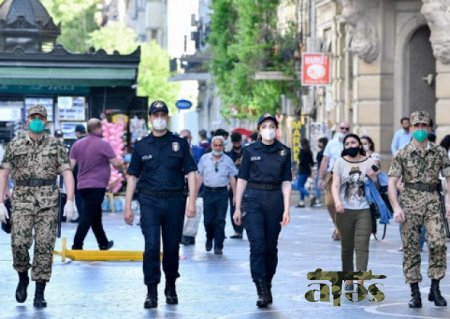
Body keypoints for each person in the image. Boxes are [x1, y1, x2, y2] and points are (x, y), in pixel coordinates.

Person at [0, 104, 77, 308]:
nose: (36, 120)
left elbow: (67, 172)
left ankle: (39, 292)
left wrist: (70, 199)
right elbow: (4, 173)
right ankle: (23, 276)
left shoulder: (56, 146)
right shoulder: (15, 145)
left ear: (46, 121)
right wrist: (0, 202)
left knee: (44, 245)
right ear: (27, 120)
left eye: (40, 117)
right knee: (19, 243)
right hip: (22, 199)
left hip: (48, 201)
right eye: (33, 116)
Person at [124, 100, 197, 309]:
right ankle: (151, 290)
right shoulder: (141, 145)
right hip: (149, 201)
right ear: (150, 118)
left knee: (172, 246)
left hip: (175, 200)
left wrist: (192, 200)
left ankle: (171, 286)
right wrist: (128, 206)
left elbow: (191, 172)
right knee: (152, 245)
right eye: (155, 115)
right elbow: (132, 177)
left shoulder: (179, 143)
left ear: (167, 117)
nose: (159, 118)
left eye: (163, 114)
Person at [388, 111, 450, 308]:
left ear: (429, 128)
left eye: (424, 126)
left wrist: (449, 203)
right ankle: (414, 292)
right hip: (409, 203)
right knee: (411, 248)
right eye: (417, 126)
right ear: (411, 128)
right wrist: (396, 207)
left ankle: (435, 287)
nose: (421, 130)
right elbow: (392, 183)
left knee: (438, 243)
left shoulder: (439, 152)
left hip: (433, 201)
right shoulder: (402, 154)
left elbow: (448, 178)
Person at [233, 113, 291, 308]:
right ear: (259, 130)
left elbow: (286, 182)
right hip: (254, 199)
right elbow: (242, 179)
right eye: (264, 126)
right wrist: (237, 207)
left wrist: (287, 209)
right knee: (257, 246)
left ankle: (268, 282)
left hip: (274, 200)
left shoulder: (284, 151)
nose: (268, 129)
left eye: (271, 125)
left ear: (276, 129)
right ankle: (260, 288)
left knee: (270, 247)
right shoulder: (250, 151)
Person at [331, 133, 378, 291]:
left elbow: (377, 185)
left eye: (353, 142)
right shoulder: (339, 162)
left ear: (359, 145)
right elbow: (335, 185)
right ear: (344, 147)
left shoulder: (369, 162)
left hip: (364, 210)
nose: (350, 146)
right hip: (344, 210)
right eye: (347, 144)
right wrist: (337, 202)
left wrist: (374, 177)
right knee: (347, 246)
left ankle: (360, 280)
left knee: (362, 245)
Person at [69, 118, 122, 250]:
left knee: (95, 215)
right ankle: (77, 244)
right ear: (97, 129)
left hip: (81, 186)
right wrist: (125, 170)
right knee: (87, 215)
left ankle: (103, 243)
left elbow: (70, 166)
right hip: (97, 185)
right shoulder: (103, 144)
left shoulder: (77, 145)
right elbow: (116, 163)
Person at [197, 135, 237, 255]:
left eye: (220, 145)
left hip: (222, 193)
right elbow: (200, 177)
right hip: (208, 193)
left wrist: (235, 195)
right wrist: (194, 194)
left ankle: (218, 245)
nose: (218, 147)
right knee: (208, 221)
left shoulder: (228, 160)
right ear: (212, 146)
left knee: (220, 220)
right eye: (216, 145)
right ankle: (209, 238)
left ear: (223, 146)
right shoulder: (204, 159)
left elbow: (232, 178)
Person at [318, 122, 351, 240]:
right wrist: (321, 178)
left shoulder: (353, 144)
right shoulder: (331, 143)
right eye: (342, 128)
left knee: (344, 205)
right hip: (332, 176)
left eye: (347, 128)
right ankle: (338, 226)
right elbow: (325, 161)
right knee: (330, 203)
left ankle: (340, 229)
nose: (344, 130)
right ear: (338, 129)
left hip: (348, 178)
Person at [179, 129, 204, 246]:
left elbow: (200, 169)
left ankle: (189, 235)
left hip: (194, 183)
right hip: (178, 185)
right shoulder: (174, 150)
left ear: (191, 138)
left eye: (187, 137)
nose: (185, 140)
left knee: (195, 208)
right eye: (183, 138)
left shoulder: (199, 151)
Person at [226, 131, 244, 238]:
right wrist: (235, 163)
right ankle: (238, 230)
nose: (236, 145)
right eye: (234, 143)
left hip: (246, 182)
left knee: (246, 206)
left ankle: (247, 227)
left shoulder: (247, 152)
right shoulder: (229, 154)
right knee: (234, 205)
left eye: (238, 143)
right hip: (233, 183)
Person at [72, 124, 87, 222]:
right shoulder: (90, 142)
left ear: (77, 132)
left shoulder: (76, 144)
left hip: (78, 174)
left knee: (79, 196)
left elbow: (72, 161)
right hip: (89, 173)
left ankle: (82, 217)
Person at [296, 138, 314, 208]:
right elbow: (312, 163)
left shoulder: (302, 151)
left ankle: (310, 195)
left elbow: (301, 162)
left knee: (298, 186)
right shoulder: (309, 151)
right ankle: (301, 202)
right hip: (307, 171)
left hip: (302, 171)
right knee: (302, 186)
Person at [314, 137, 328, 208]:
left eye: (319, 142)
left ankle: (318, 200)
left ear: (322, 143)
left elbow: (319, 161)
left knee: (317, 184)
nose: (318, 144)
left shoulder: (321, 152)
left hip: (321, 169)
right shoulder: (328, 151)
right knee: (327, 185)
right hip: (328, 169)